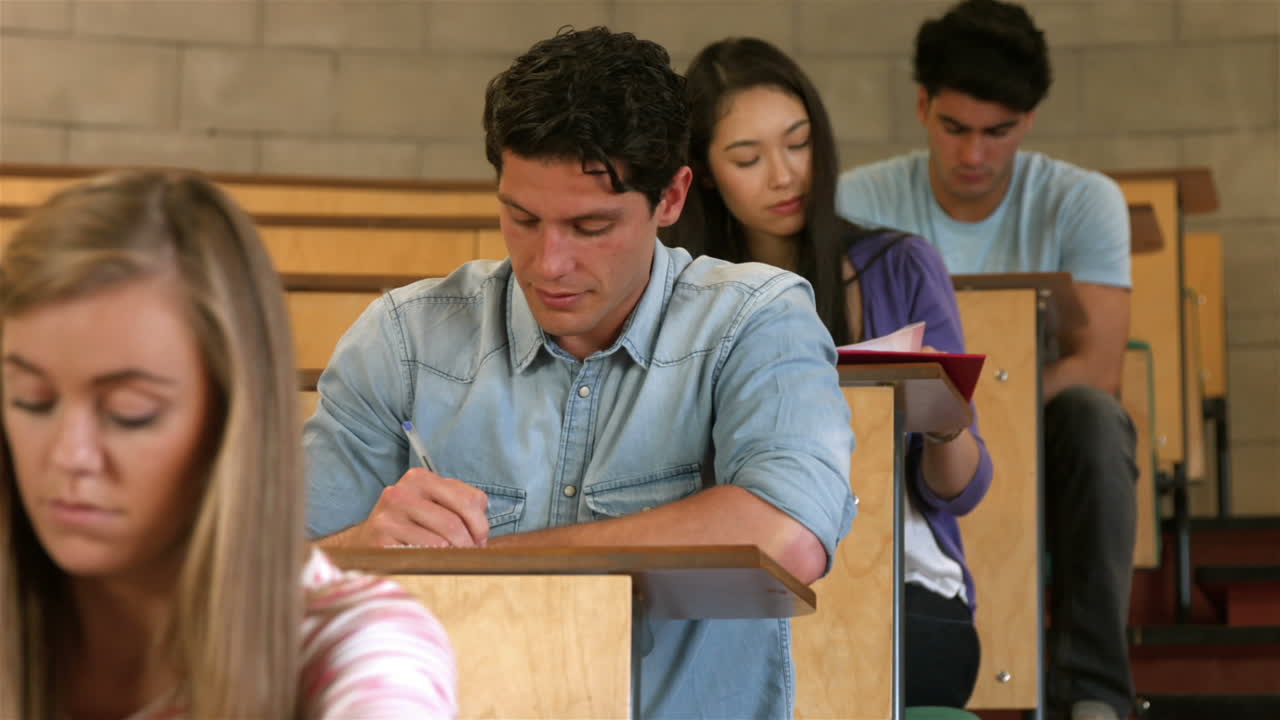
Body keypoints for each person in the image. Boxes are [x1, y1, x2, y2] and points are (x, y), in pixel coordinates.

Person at [303, 26, 857, 720]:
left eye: (590, 227)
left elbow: (787, 534)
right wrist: (359, 550)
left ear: (673, 198)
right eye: (521, 217)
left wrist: (481, 569)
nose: (548, 262)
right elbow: (275, 587)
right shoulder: (403, 338)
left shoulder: (756, 321)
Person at [0, 170, 457, 719]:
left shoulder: (362, 644)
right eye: (30, 400)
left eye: (130, 413)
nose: (67, 456)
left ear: (229, 421)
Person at [665, 36, 993, 709]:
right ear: (702, 171)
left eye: (798, 143)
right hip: (741, 583)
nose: (784, 176)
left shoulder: (899, 267)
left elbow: (962, 490)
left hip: (902, 581)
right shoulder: (683, 294)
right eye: (748, 158)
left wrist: (945, 425)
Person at [836, 2, 1138, 719]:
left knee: (1095, 419)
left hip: (1035, 418)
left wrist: (974, 412)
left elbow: (1097, 364)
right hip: (901, 436)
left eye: (998, 133)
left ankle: (1095, 691)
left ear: (1029, 119)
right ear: (921, 106)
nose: (975, 156)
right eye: (955, 129)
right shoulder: (860, 200)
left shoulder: (1084, 201)